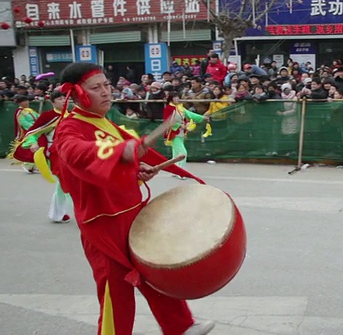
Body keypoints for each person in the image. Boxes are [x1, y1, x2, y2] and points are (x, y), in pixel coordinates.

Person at [48, 63, 215, 335]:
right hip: (103, 222)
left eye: (106, 85)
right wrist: (122, 151)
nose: (105, 92)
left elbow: (117, 166)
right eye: (96, 87)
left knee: (153, 271)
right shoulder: (69, 128)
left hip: (131, 213)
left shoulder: (104, 122)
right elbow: (78, 154)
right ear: (78, 93)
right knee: (116, 290)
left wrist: (136, 169)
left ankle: (180, 325)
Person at [9, 90, 73, 223]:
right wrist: (32, 143)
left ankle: (57, 214)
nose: (63, 101)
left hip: (72, 152)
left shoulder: (72, 115)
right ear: (53, 102)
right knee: (66, 182)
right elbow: (32, 132)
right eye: (60, 99)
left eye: (64, 98)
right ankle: (80, 212)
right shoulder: (48, 116)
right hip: (55, 154)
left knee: (66, 184)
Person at [163, 92, 210, 174]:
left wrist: (202, 118)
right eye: (175, 97)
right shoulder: (169, 108)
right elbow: (168, 121)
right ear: (171, 99)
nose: (177, 99)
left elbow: (190, 114)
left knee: (176, 154)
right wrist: (180, 125)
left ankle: (175, 170)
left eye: (178, 97)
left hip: (180, 133)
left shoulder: (180, 108)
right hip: (174, 133)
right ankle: (181, 172)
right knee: (182, 153)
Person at [13, 94, 40, 173]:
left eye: (27, 100)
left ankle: (34, 165)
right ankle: (28, 165)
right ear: (20, 103)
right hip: (28, 133)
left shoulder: (30, 110)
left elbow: (38, 117)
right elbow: (23, 122)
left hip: (36, 131)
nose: (26, 102)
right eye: (24, 101)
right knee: (30, 148)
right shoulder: (19, 112)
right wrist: (33, 128)